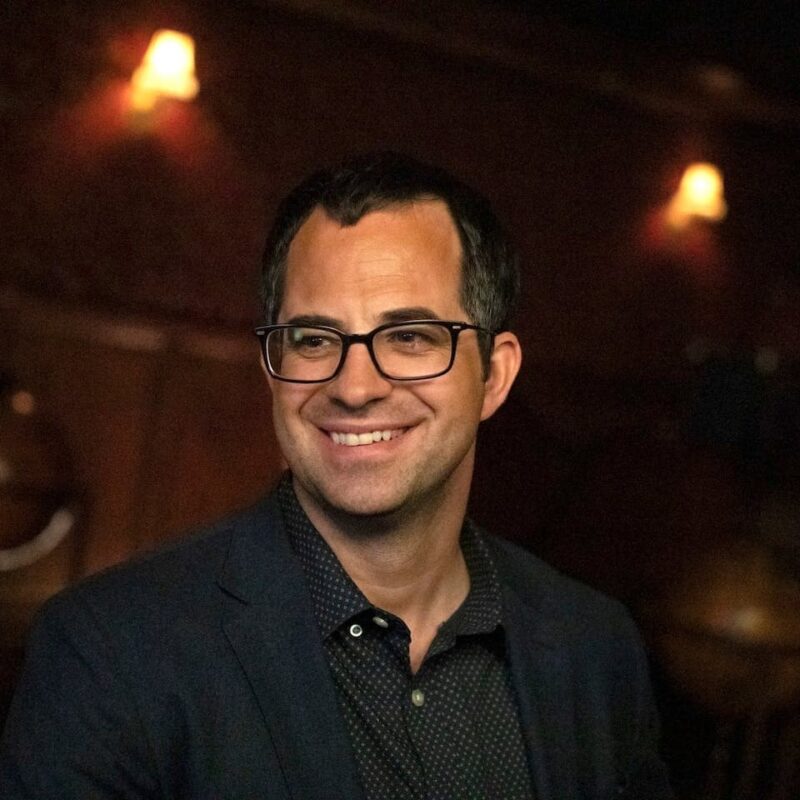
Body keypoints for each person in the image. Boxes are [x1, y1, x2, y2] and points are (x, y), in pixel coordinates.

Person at [0, 152, 673, 799]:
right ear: (273, 370)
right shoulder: (110, 650)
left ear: (494, 376)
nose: (354, 387)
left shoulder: (596, 650)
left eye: (409, 337)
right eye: (315, 340)